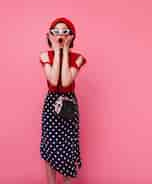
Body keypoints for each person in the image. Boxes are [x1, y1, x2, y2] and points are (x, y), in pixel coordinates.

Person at [39, 17, 87, 184]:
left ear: (72, 36)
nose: (60, 35)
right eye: (56, 31)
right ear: (50, 35)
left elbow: (66, 83)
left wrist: (65, 51)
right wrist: (56, 50)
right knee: (49, 148)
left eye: (65, 32)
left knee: (69, 148)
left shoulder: (78, 58)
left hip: (69, 105)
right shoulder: (45, 55)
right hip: (51, 105)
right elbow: (53, 82)